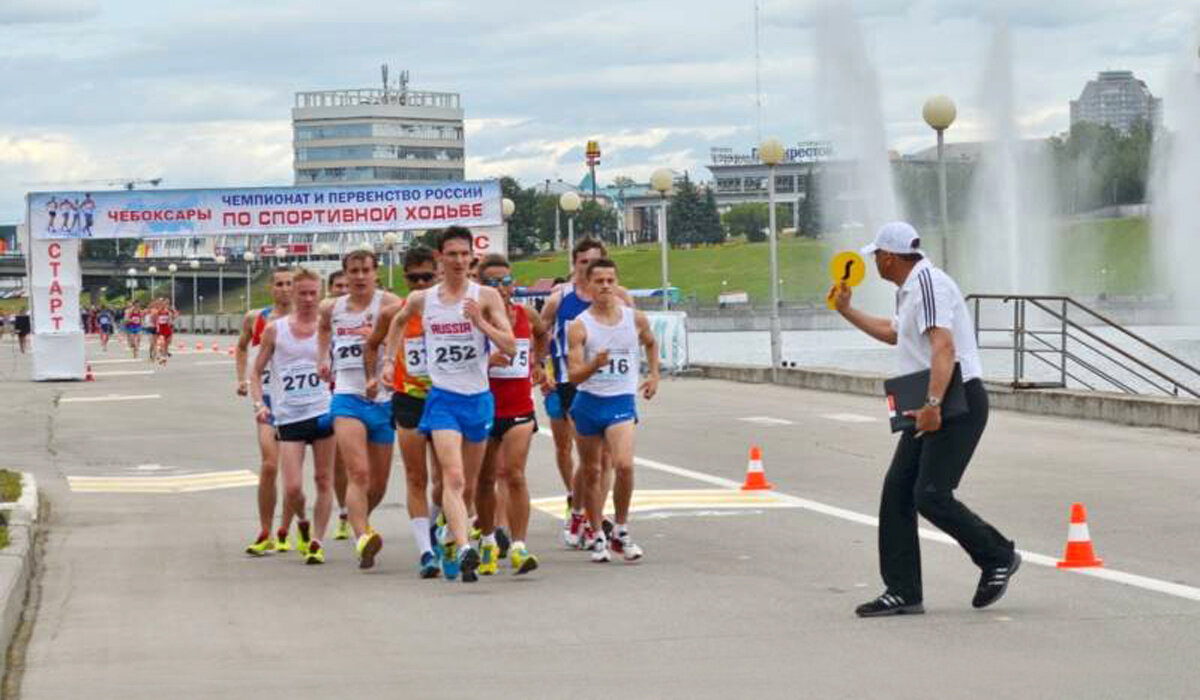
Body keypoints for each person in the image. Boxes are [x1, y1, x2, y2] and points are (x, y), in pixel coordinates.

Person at [833, 221, 1019, 617]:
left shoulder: (929, 284)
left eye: (876, 257)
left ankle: (997, 555)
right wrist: (847, 310)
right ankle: (903, 590)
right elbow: (892, 333)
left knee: (931, 494)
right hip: (932, 400)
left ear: (888, 257)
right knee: (898, 490)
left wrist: (933, 404)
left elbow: (944, 346)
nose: (875, 265)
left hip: (956, 400)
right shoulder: (909, 291)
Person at [385, 226, 515, 583]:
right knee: (453, 478)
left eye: (464, 254)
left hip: (478, 399)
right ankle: (464, 546)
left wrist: (479, 323)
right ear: (440, 258)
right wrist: (386, 362)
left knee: (467, 487)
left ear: (472, 257)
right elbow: (396, 324)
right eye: (451, 254)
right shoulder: (422, 300)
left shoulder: (486, 296)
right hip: (441, 399)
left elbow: (511, 346)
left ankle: (445, 534)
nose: (459, 260)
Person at [540, 239, 634, 548]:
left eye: (594, 262)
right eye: (582, 263)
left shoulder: (620, 298)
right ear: (575, 264)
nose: (587, 268)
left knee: (606, 460)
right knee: (581, 457)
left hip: (609, 386)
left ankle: (593, 514)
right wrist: (542, 369)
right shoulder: (559, 298)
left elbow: (631, 335)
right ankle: (577, 506)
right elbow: (541, 333)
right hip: (569, 383)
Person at [567, 258, 659, 563]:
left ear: (617, 284)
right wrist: (595, 363)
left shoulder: (634, 318)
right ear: (588, 285)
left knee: (625, 465)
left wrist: (654, 375)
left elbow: (651, 343)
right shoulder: (580, 325)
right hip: (589, 402)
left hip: (620, 401)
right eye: (599, 281)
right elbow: (575, 375)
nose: (606, 286)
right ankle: (596, 533)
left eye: (610, 280)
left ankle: (620, 528)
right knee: (592, 472)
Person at [317, 250, 402, 569]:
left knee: (378, 484)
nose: (360, 276)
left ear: (375, 272)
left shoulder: (391, 304)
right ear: (346, 274)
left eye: (366, 270)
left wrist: (380, 344)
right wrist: (322, 359)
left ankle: (362, 518)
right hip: (347, 396)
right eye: (354, 271)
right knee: (358, 472)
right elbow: (324, 330)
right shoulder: (332, 307)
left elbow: (408, 337)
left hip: (383, 399)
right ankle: (362, 536)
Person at [365, 245, 443, 578]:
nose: (422, 284)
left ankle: (438, 524)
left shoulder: (450, 310)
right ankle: (425, 550)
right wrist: (377, 372)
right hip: (408, 399)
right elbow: (372, 343)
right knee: (416, 476)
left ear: (439, 275)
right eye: (414, 279)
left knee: (446, 480)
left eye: (428, 277)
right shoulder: (393, 313)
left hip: (443, 399)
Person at [251, 268, 335, 565]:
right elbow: (256, 370)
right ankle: (301, 519)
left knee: (324, 479)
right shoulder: (276, 329)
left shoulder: (330, 327)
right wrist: (259, 403)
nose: (309, 299)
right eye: (303, 293)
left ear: (321, 293)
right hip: (289, 417)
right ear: (293, 294)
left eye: (314, 293)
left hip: (323, 411)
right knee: (293, 487)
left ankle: (317, 541)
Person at [475, 254, 549, 575]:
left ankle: (518, 545)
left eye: (506, 281)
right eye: (493, 283)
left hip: (520, 407)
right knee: (486, 478)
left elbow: (543, 332)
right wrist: (487, 362)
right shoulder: (474, 318)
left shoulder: (525, 314)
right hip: (486, 406)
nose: (502, 288)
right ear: (481, 286)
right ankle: (489, 538)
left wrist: (539, 364)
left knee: (514, 474)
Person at [239, 268, 299, 556]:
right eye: (279, 284)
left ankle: (285, 529)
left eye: (290, 284)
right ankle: (265, 530)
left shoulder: (307, 318)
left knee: (291, 471)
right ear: (271, 288)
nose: (285, 289)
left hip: (296, 401)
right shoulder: (256, 318)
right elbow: (241, 348)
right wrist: (242, 377)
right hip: (268, 400)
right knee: (269, 464)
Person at [325, 270, 353, 540]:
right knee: (341, 460)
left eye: (347, 286)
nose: (343, 290)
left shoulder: (368, 314)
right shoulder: (325, 319)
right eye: (338, 286)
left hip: (370, 393)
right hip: (333, 393)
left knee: (366, 462)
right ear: (330, 289)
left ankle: (359, 507)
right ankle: (346, 510)